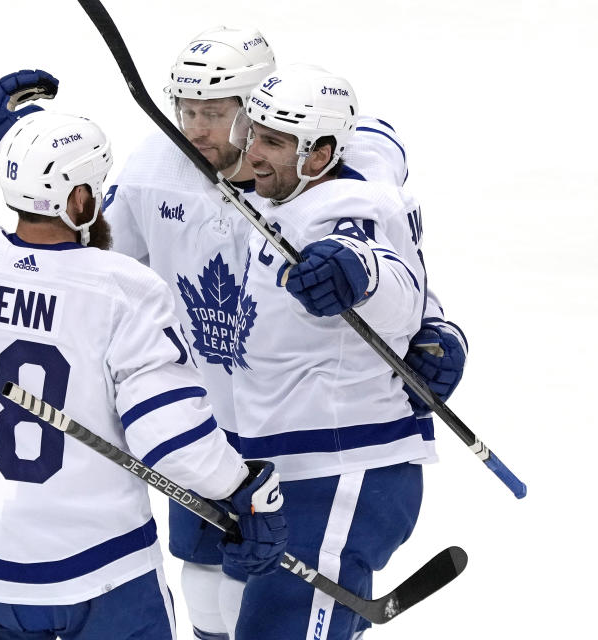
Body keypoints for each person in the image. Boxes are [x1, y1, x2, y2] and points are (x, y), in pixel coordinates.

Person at [0, 70, 287, 640]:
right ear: (78, 197)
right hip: (100, 574)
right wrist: (240, 489)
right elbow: (170, 437)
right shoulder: (123, 288)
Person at [104, 26, 467, 639]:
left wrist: (434, 324)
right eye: (186, 109)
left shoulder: (335, 175)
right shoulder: (155, 170)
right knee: (211, 597)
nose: (195, 129)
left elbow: (381, 250)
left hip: (330, 446)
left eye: (216, 114)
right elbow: (92, 265)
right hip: (220, 438)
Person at [225, 63, 436, 639]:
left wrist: (357, 272)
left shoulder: (338, 212)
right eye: (253, 132)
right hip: (297, 470)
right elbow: (378, 139)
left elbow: (393, 287)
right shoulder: (291, 188)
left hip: (344, 470)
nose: (253, 152)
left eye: (273, 141)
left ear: (318, 154)